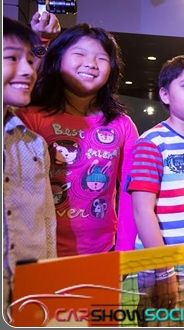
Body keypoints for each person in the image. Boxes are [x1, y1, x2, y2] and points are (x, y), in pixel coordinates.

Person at [16, 24, 138, 257]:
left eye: (101, 58)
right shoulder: (29, 118)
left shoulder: (122, 125)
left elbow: (130, 192)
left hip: (101, 252)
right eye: (79, 54)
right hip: (37, 254)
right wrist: (40, 41)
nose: (91, 64)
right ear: (58, 58)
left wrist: (125, 251)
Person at [128, 55, 184, 325]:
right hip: (166, 269)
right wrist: (163, 271)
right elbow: (142, 210)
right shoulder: (151, 143)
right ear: (165, 95)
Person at [2, 17, 57, 317]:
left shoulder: (34, 145)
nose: (28, 70)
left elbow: (45, 227)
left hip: (28, 302)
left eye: (30, 59)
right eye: (12, 58)